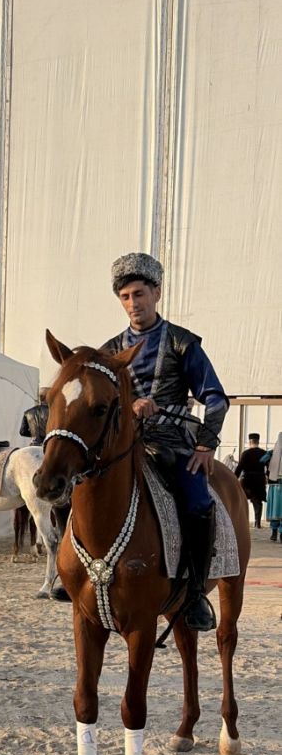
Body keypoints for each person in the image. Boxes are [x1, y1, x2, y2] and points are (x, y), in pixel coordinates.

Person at [101, 252, 229, 632]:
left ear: (156, 293)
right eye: (125, 297)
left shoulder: (182, 343)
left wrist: (205, 445)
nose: (132, 303)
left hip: (173, 441)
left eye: (139, 294)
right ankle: (71, 572)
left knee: (198, 499)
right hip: (123, 442)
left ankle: (195, 592)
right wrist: (128, 404)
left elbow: (216, 399)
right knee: (78, 482)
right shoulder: (108, 351)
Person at [235, 433, 267, 528]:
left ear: (250, 442)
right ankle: (257, 523)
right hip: (259, 480)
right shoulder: (264, 453)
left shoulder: (246, 453)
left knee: (243, 500)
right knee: (258, 502)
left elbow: (239, 467)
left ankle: (243, 521)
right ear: (258, 442)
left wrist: (234, 478)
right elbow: (269, 467)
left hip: (248, 480)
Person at [263, 432, 282, 541]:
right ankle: (278, 533)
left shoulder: (272, 453)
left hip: (275, 486)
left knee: (275, 510)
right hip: (275, 485)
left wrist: (270, 454)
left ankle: (274, 533)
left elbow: (262, 460)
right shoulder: (272, 453)